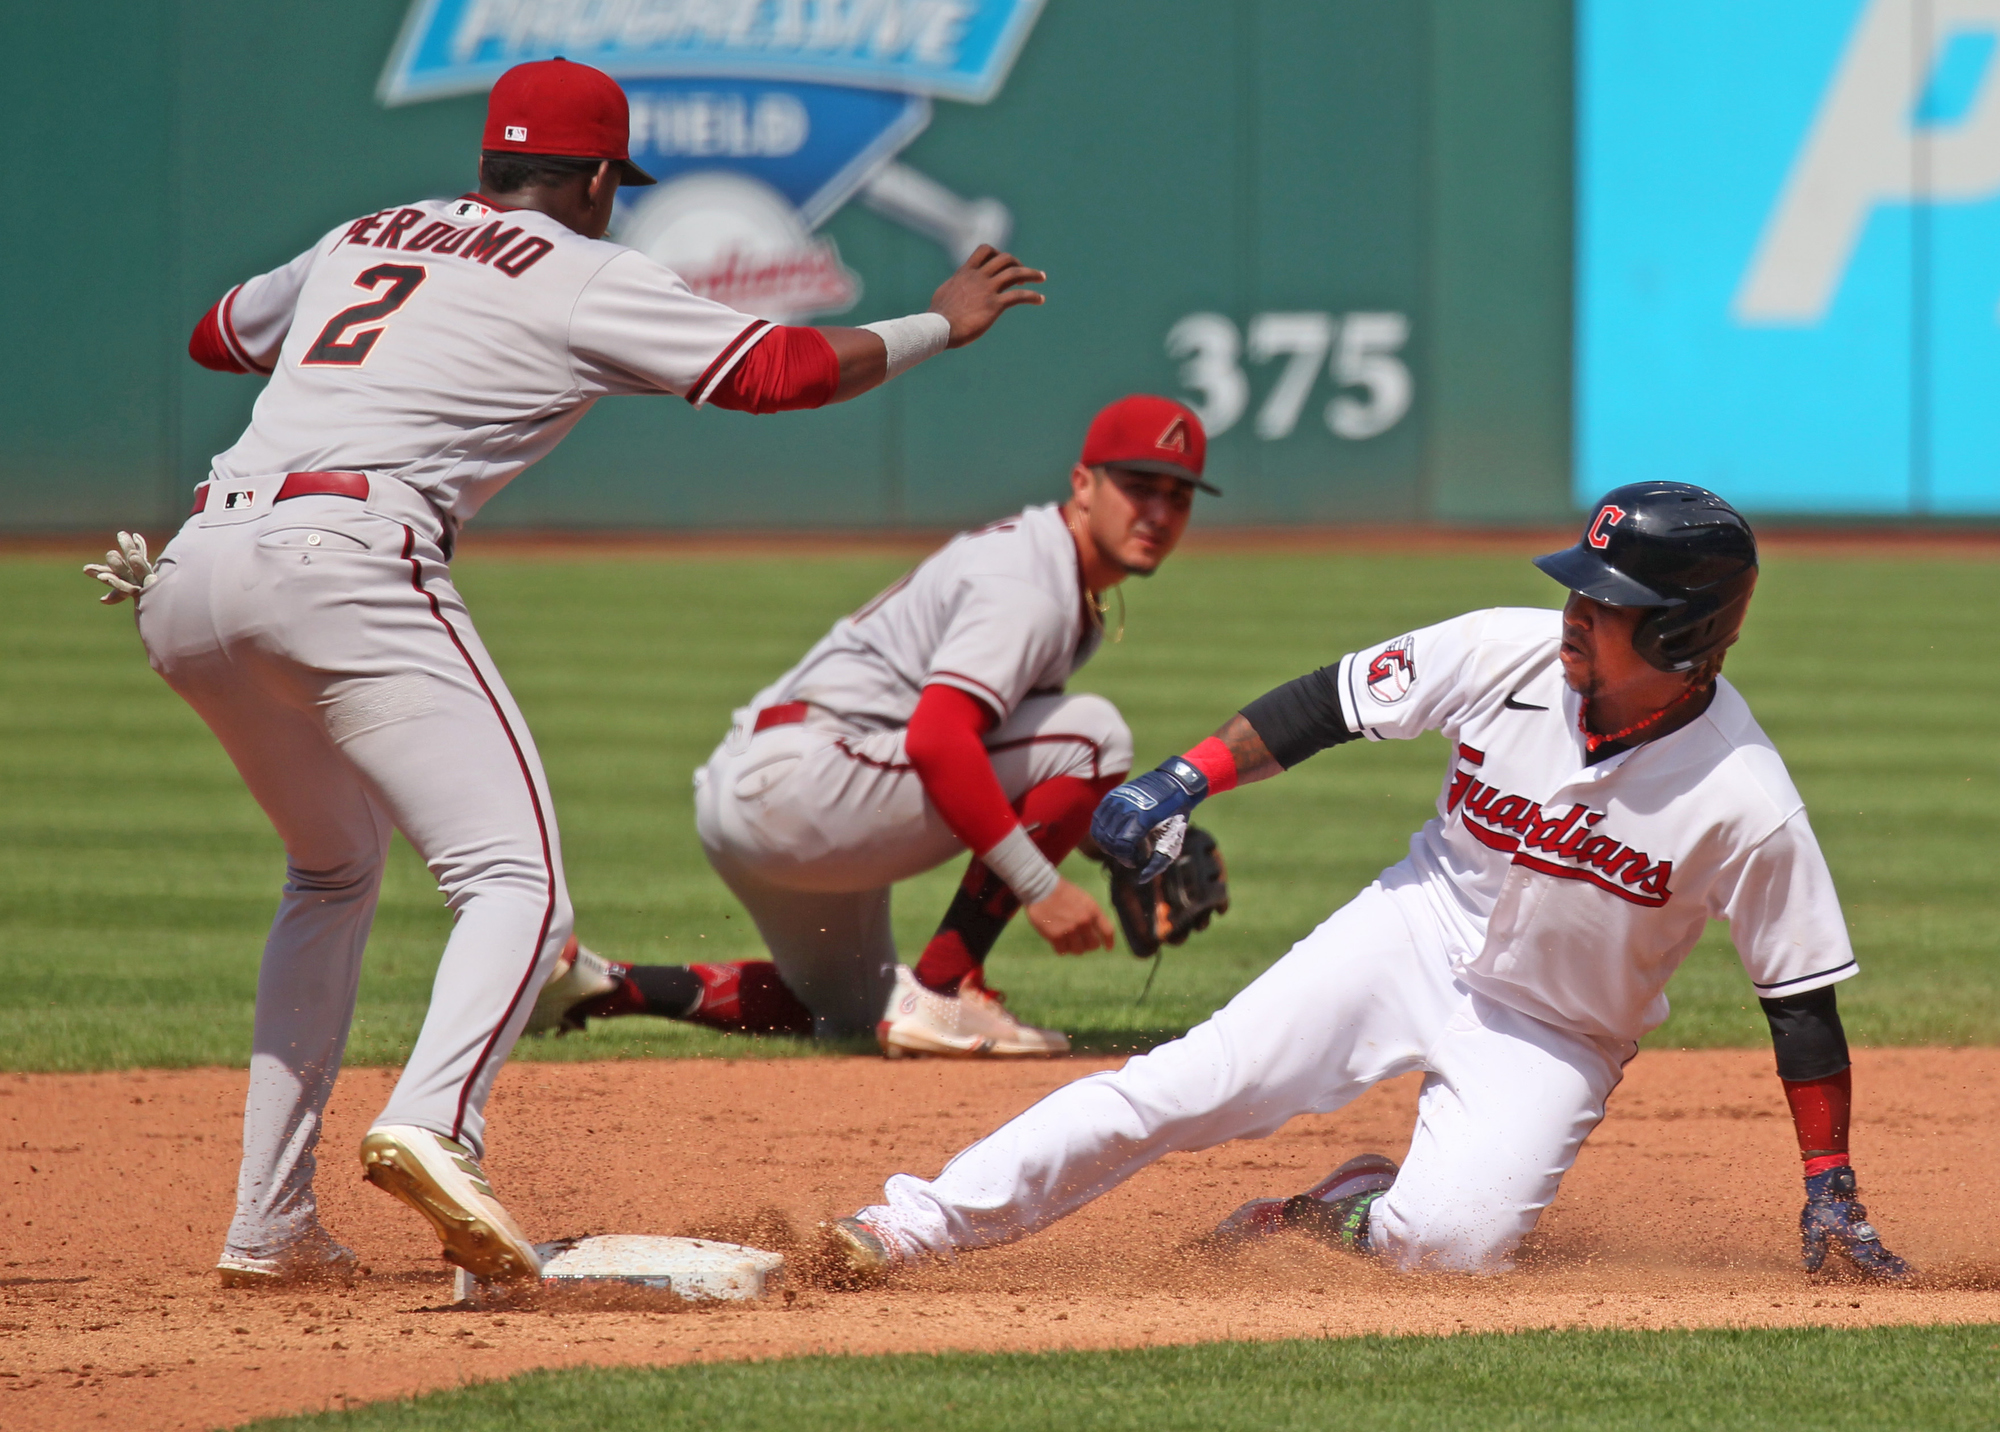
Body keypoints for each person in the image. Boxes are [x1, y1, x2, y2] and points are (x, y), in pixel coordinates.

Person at [83, 57, 1043, 1287]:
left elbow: (219, 334)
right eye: (612, 182)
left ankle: (268, 1228)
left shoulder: (364, 231)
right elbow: (780, 373)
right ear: (593, 178)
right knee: (519, 893)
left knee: (330, 870)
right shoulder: (586, 270)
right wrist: (938, 323)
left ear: (487, 163)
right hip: (343, 556)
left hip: (189, 567)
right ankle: (435, 1125)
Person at [819, 482, 1913, 1282]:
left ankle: (1331, 1210)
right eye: (1579, 586)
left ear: (1681, 630)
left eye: (1606, 599)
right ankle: (910, 1222)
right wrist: (1174, 781)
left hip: (1558, 1031)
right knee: (1184, 1084)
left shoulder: (1744, 797)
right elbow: (1325, 703)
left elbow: (1798, 1003)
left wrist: (1829, 1184)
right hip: (1411, 929)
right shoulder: (1504, 651)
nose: (1574, 610)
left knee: (1444, 1248)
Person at [529, 395, 1216, 1057]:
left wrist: (1116, 842)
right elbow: (939, 740)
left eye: (1178, 498)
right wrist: (1042, 886)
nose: (1157, 512)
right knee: (1095, 736)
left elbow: (992, 758)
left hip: (765, 787)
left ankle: (600, 986)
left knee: (851, 1011)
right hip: (811, 777)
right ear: (1084, 484)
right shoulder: (1032, 585)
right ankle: (946, 990)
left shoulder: (1046, 562)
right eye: (1139, 487)